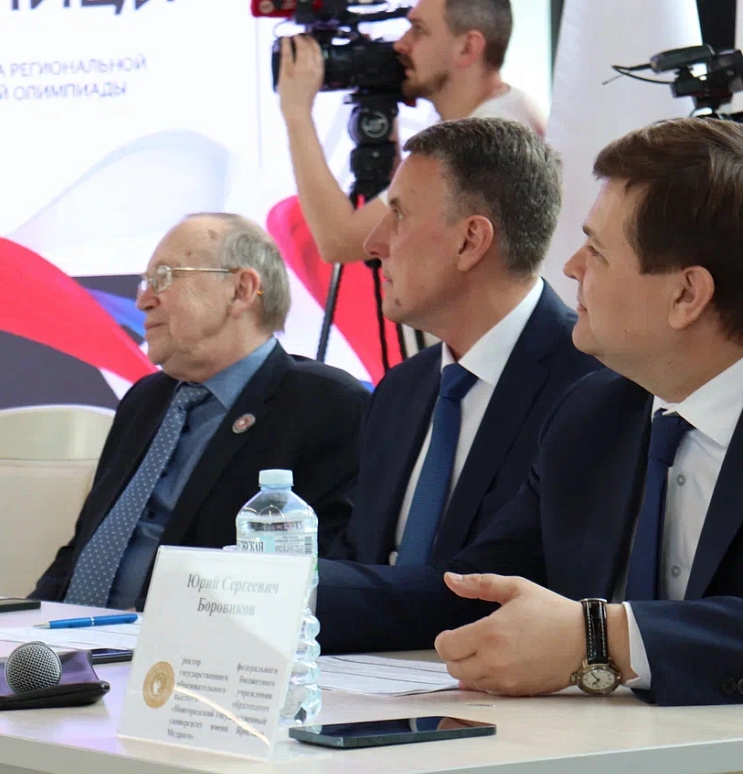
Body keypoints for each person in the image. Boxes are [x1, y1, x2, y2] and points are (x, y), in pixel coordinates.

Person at [315, 118, 743, 707]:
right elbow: (469, 592)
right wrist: (270, 590)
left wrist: (604, 639)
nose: (571, 267)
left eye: (597, 251)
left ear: (686, 295)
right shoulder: (593, 415)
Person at [32, 213, 370, 610]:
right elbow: (84, 545)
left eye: (165, 277)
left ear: (241, 291)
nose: (144, 300)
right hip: (66, 634)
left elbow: (315, 579)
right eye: (146, 282)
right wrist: (25, 621)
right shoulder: (143, 400)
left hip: (184, 639)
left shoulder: (325, 405)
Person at [325, 118, 599, 566]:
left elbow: (506, 585)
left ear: (470, 241)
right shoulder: (398, 391)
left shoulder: (594, 389)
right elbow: (357, 561)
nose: (373, 244)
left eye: (398, 215)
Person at [277, 0, 545, 267]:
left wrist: (296, 112)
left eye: (419, 30)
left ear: (467, 48)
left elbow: (339, 241)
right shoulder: (509, 110)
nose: (400, 44)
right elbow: (411, 214)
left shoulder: (478, 144)